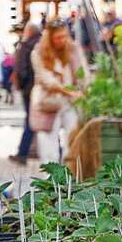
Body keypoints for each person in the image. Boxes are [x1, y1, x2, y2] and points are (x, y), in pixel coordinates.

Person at [31, 19, 83, 164]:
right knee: (48, 149)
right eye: (58, 37)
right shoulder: (38, 53)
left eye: (64, 36)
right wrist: (68, 91)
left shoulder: (72, 49)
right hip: (48, 103)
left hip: (69, 103)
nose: (62, 40)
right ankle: (50, 184)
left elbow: (82, 74)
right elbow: (46, 80)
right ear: (50, 38)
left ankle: (70, 181)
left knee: (72, 144)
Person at [9, 22, 42, 165]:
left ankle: (23, 153)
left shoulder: (26, 45)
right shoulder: (43, 44)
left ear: (28, 32)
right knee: (42, 120)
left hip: (29, 89)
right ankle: (26, 152)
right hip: (41, 88)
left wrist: (22, 86)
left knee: (31, 121)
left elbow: (21, 69)